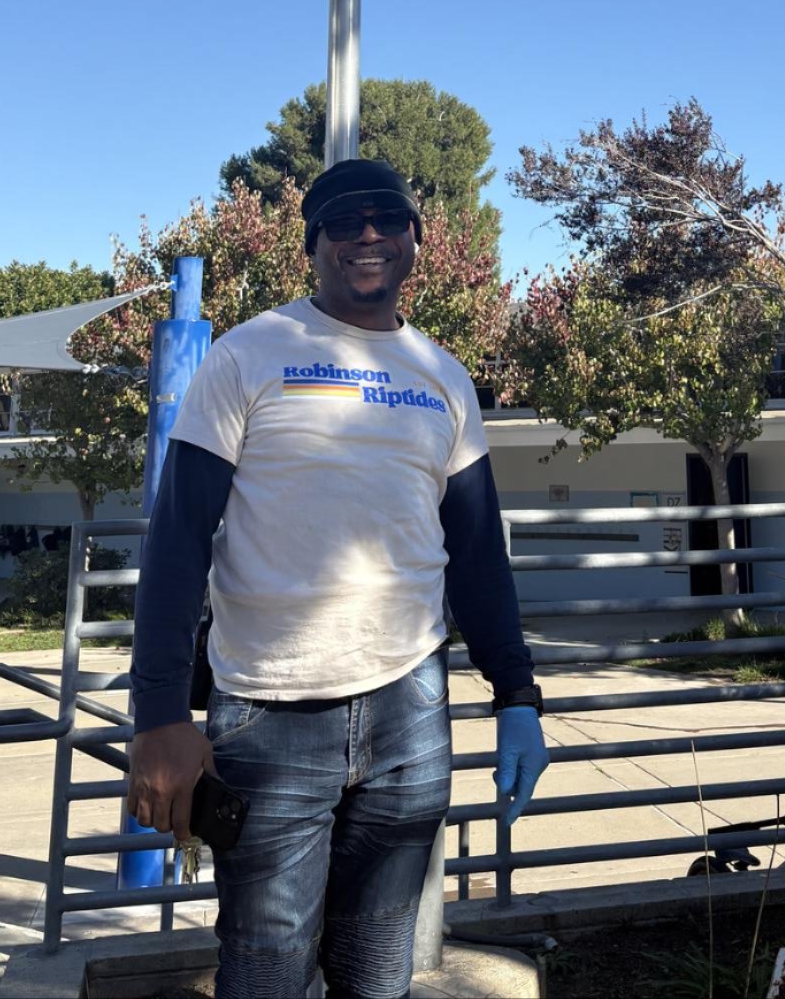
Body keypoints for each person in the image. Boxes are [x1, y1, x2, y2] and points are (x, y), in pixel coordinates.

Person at [127, 158, 548, 999]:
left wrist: (518, 697)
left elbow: (475, 555)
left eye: (387, 218)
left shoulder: (444, 376)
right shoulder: (248, 355)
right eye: (344, 221)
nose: (368, 235)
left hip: (411, 716)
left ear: (416, 239)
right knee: (266, 971)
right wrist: (161, 717)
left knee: (379, 972)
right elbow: (177, 541)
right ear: (312, 244)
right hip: (268, 714)